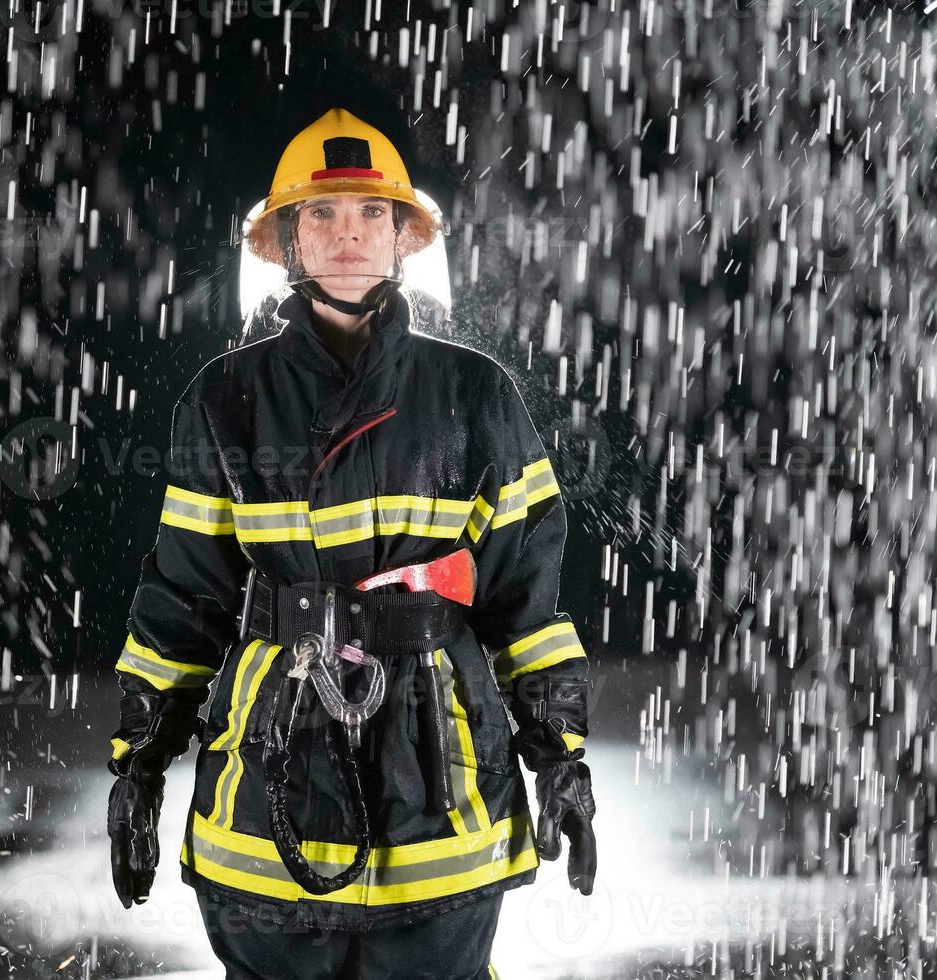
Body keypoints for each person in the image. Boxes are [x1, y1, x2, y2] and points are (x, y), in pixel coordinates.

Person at [105, 107, 597, 980]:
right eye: (322, 214)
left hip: (436, 766)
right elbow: (183, 601)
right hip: (274, 768)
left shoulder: (476, 395)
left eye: (372, 214)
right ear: (288, 240)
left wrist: (559, 754)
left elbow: (526, 603)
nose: (348, 234)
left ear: (403, 237)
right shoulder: (224, 401)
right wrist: (139, 765)